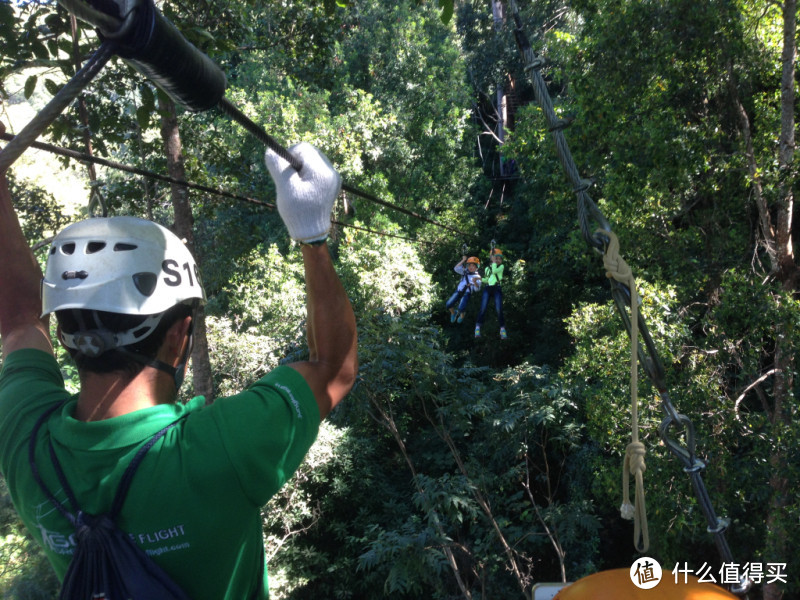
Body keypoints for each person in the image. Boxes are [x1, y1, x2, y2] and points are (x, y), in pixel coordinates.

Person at [0, 117, 357, 600]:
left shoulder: (26, 446)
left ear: (65, 329)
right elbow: (334, 368)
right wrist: (312, 236)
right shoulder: (218, 450)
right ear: (180, 335)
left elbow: (20, 322)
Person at [474, 248, 507, 340]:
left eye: (499, 259)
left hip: (497, 288)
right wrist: (479, 279)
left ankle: (502, 329)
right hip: (488, 288)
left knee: (499, 308)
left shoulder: (501, 266)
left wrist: (493, 263)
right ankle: (477, 327)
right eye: (496, 258)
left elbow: (495, 272)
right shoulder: (487, 268)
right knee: (483, 308)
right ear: (492, 258)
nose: (497, 260)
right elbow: (487, 279)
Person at [445, 255, 482, 324]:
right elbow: (456, 268)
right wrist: (463, 260)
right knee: (448, 304)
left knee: (461, 308)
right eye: (470, 265)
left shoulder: (477, 277)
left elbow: (477, 289)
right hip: (458, 291)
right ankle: (453, 313)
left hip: (466, 293)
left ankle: (462, 316)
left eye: (473, 266)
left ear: (476, 267)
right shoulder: (465, 272)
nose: (471, 267)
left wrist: (474, 282)